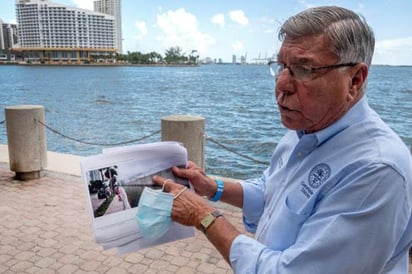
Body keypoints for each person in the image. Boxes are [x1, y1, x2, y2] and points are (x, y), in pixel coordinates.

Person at [152, 6, 412, 273]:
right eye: (282, 67)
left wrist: (203, 216)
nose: (282, 84)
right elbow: (271, 190)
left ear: (354, 79)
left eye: (304, 69)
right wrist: (211, 187)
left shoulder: (377, 170)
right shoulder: (305, 129)